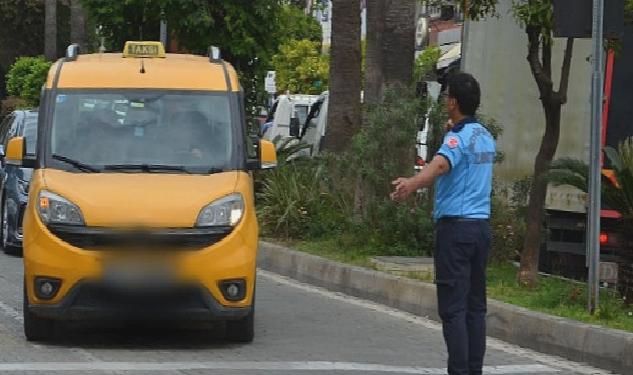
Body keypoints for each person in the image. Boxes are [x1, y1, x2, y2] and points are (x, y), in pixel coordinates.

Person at [390, 72, 495, 375]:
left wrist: (411, 184)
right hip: (480, 230)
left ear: (452, 102)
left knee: (453, 310)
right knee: (476, 308)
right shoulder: (485, 136)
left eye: (447, 96)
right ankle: (473, 369)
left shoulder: (455, 139)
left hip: (456, 231)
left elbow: (439, 166)